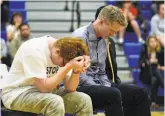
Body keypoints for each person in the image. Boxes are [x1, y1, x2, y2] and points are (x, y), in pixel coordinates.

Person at [72, 5, 151, 116]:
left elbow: (101, 71)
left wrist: (106, 85)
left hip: (99, 84)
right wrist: (103, 87)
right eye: (112, 30)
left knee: (140, 93)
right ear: (101, 22)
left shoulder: (104, 39)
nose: (113, 34)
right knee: (113, 94)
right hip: (80, 86)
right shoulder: (79, 37)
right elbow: (78, 75)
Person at [1, 36, 93, 116]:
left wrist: (76, 71)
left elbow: (70, 88)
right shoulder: (34, 49)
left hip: (47, 92)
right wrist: (68, 66)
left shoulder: (66, 52)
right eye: (63, 63)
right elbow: (44, 88)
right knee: (54, 102)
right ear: (57, 52)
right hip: (17, 93)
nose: (63, 66)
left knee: (84, 100)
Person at [139, 36, 164, 108]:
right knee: (154, 71)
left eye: (154, 41)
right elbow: (140, 63)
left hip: (156, 73)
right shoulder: (145, 50)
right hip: (146, 73)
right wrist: (149, 62)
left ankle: (153, 102)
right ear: (148, 43)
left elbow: (163, 64)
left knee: (154, 80)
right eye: (151, 42)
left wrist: (161, 66)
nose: (153, 43)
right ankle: (163, 84)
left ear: (157, 42)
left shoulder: (160, 51)